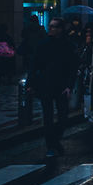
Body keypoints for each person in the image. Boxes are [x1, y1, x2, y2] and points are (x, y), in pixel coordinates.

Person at [26, 18, 78, 157]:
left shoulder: (68, 46)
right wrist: (30, 84)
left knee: (63, 117)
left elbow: (73, 68)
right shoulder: (43, 45)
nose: (51, 29)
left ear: (61, 29)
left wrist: (69, 86)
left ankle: (55, 141)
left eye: (54, 27)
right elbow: (34, 64)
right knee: (47, 117)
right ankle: (51, 145)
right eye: (50, 26)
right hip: (45, 84)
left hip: (61, 85)